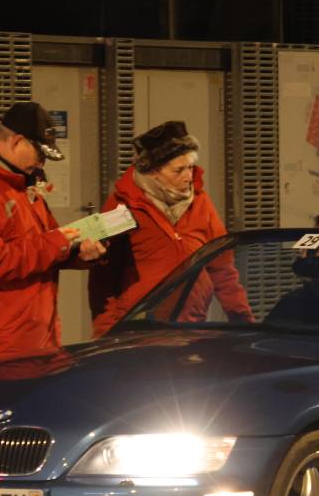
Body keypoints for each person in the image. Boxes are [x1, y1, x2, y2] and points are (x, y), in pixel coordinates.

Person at [0, 101, 106, 365]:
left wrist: (79, 252)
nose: (42, 162)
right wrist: (56, 243)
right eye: (40, 153)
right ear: (17, 141)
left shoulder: (21, 183)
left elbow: (44, 244)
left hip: (34, 338)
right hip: (4, 344)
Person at [89, 120, 252, 336]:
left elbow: (222, 268)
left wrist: (242, 320)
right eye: (178, 170)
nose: (188, 177)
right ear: (153, 171)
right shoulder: (122, 205)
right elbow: (103, 277)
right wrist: (106, 330)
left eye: (190, 167)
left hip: (191, 324)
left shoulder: (201, 202)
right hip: (139, 328)